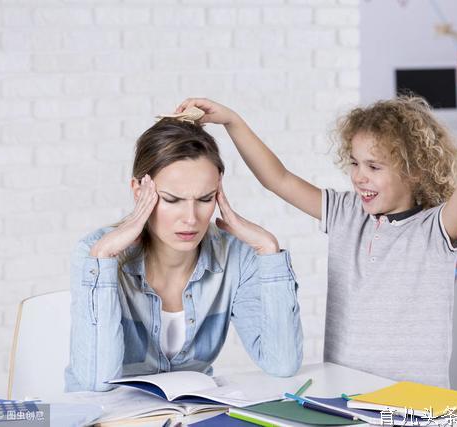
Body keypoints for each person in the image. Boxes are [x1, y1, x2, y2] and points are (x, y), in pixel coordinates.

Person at [175, 49, 457, 388]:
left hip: (415, 402)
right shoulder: (347, 213)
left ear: (414, 171)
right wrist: (232, 121)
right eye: (355, 163)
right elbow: (278, 179)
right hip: (346, 393)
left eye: (374, 167)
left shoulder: (434, 230)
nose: (359, 177)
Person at [65, 117, 303, 392]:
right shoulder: (96, 252)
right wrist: (103, 257)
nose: (190, 219)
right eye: (172, 200)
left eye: (205, 199)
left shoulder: (237, 256)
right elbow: (97, 381)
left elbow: (282, 364)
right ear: (138, 191)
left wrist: (269, 250)